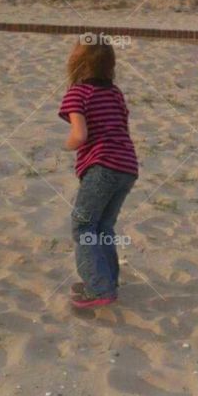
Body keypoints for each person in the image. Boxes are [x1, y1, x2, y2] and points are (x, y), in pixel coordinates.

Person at [58, 34, 138, 309]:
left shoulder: (77, 94)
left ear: (76, 64)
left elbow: (79, 135)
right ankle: (107, 280)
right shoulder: (115, 93)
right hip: (127, 166)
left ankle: (99, 288)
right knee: (104, 226)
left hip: (101, 167)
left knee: (83, 227)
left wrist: (67, 146)